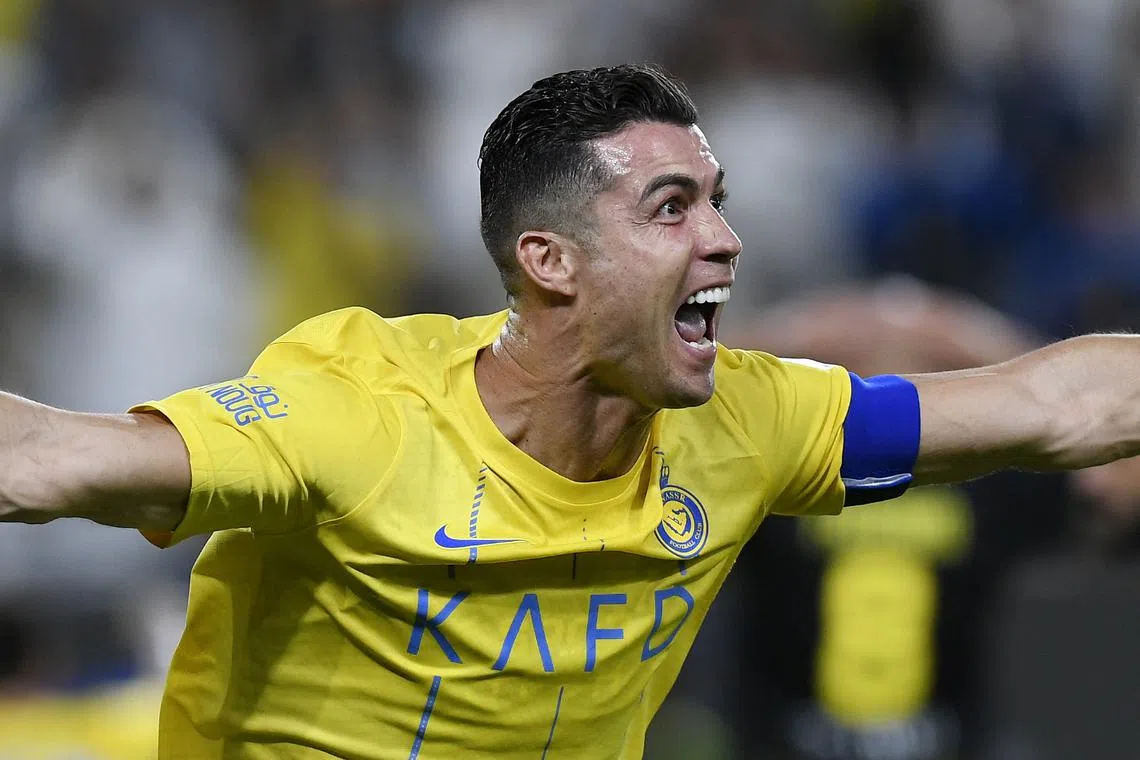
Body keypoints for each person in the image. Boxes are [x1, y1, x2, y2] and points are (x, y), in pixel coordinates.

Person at [0, 64, 1138, 760]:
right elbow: (46, 457)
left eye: (719, 204)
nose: (725, 240)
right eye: (671, 207)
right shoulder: (357, 419)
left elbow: (1051, 404)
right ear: (550, 260)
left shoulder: (752, 423)